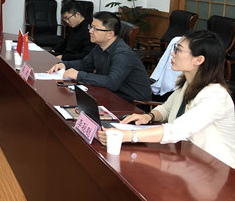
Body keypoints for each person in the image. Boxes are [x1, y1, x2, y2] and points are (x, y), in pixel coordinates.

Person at [98, 30, 235, 169]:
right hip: (185, 158)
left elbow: (177, 130)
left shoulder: (215, 96)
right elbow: (167, 108)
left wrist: (128, 135)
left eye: (178, 50)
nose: (172, 54)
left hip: (214, 169)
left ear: (199, 60)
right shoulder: (187, 81)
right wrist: (149, 116)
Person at [48, 11, 151, 103]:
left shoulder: (123, 54)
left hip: (132, 104)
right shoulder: (100, 46)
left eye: (95, 29)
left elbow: (112, 82)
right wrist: (64, 65)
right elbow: (85, 64)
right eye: (91, 27)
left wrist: (79, 75)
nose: (90, 31)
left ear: (110, 34)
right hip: (111, 95)